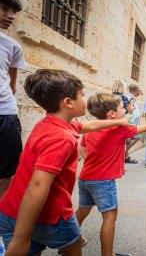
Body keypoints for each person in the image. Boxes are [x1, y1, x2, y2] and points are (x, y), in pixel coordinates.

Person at [0, 69, 131, 255]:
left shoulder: (51, 123)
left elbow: (89, 126)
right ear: (68, 102)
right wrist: (22, 237)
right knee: (74, 246)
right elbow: (37, 186)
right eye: (82, 95)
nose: (85, 100)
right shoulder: (62, 138)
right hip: (49, 216)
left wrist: (118, 123)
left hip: (10, 210)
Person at [75, 93, 146, 256]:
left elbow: (82, 148)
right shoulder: (119, 128)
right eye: (122, 108)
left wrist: (93, 161)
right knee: (110, 216)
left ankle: (70, 240)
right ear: (112, 114)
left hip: (85, 178)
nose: (125, 110)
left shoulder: (91, 128)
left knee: (82, 210)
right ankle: (108, 254)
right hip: (103, 181)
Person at [0, 0, 25, 199]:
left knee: (7, 174)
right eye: (4, 9)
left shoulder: (12, 46)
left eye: (13, 12)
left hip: (6, 115)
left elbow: (12, 84)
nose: (10, 16)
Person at [125, 83, 143, 164]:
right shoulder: (129, 98)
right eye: (138, 91)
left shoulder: (133, 98)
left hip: (133, 124)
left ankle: (126, 156)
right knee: (133, 138)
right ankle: (124, 154)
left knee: (131, 139)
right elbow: (129, 110)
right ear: (136, 91)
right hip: (130, 123)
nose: (139, 93)